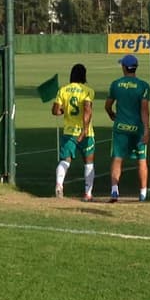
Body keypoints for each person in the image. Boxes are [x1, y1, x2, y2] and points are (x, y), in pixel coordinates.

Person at [105, 54, 150, 202]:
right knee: (141, 160)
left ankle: (114, 191)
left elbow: (108, 105)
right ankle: (143, 194)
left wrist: (112, 114)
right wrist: (147, 130)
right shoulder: (143, 86)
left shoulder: (116, 84)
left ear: (124, 67)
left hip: (120, 127)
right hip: (137, 128)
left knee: (117, 158)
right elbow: (144, 110)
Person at [52, 63, 96, 201]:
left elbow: (55, 111)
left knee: (65, 161)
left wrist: (65, 110)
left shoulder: (63, 90)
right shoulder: (88, 91)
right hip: (86, 133)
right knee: (88, 162)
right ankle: (88, 194)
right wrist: (83, 131)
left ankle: (59, 185)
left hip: (68, 131)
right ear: (84, 75)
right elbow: (87, 111)